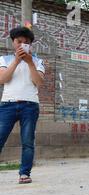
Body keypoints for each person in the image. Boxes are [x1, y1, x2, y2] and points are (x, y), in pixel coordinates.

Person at [0, 27, 45, 184]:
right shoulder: (4, 59)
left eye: (26, 43)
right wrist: (17, 61)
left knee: (27, 141)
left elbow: (38, 82)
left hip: (30, 105)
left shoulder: (38, 61)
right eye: (19, 42)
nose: (22, 45)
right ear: (13, 42)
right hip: (7, 105)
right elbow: (2, 79)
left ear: (30, 45)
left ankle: (24, 173)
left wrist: (30, 62)